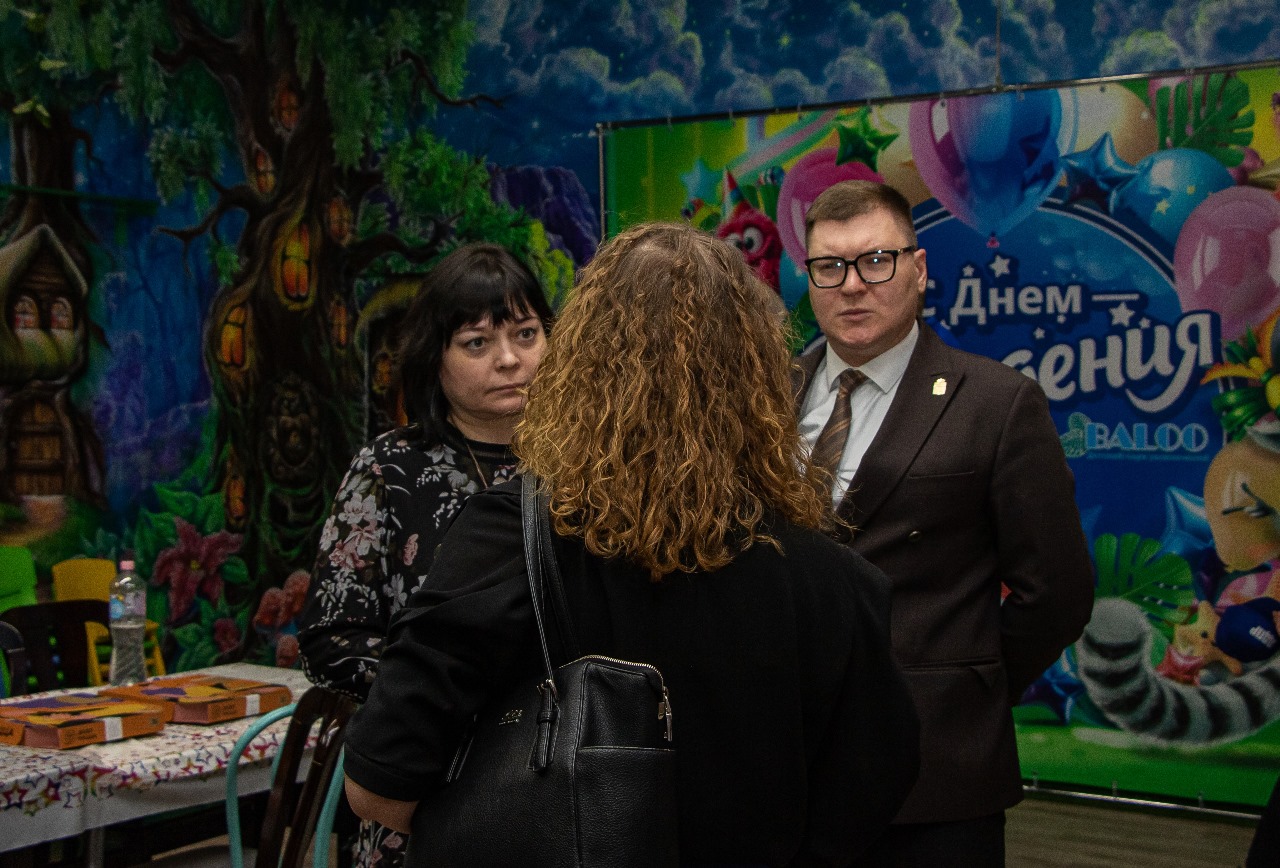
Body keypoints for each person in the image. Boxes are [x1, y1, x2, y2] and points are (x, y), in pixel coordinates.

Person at [342, 222, 921, 866]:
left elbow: (377, 790)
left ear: (577, 364)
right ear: (758, 374)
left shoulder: (506, 540)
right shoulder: (830, 580)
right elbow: (873, 789)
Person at [793, 179, 1095, 866]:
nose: (852, 285)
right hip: (791, 771)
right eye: (829, 266)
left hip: (937, 773)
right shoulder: (764, 396)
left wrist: (967, 684)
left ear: (919, 269)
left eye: (876, 261)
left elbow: (1057, 591)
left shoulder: (996, 404)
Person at [296, 241, 553, 867]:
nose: (509, 360)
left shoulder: (584, 466)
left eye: (526, 334)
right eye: (476, 343)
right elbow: (332, 634)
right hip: (419, 785)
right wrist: (433, 699)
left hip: (555, 774)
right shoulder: (389, 469)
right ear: (434, 357)